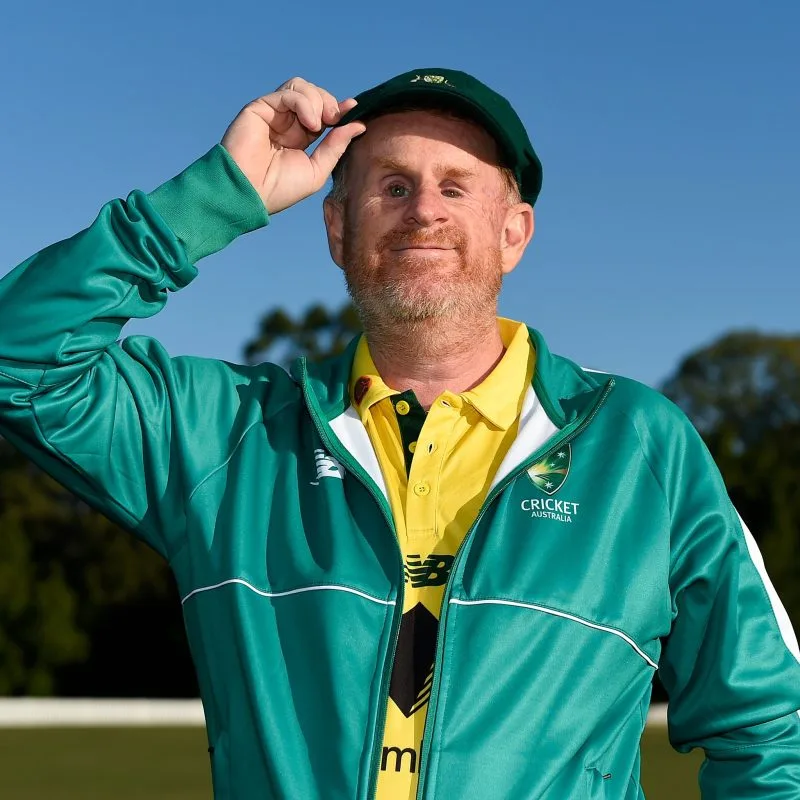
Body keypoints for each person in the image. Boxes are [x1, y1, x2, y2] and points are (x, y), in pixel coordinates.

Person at [0, 67, 798, 800]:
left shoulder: (639, 449)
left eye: (457, 185)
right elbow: (18, 358)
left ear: (514, 232)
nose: (424, 210)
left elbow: (772, 731)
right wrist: (218, 194)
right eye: (392, 186)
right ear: (337, 229)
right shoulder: (230, 434)